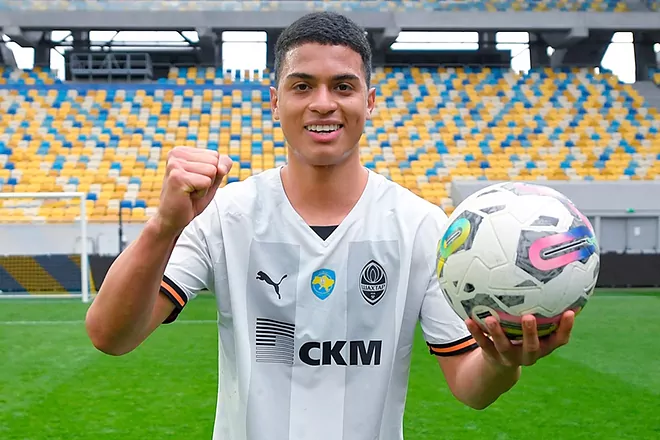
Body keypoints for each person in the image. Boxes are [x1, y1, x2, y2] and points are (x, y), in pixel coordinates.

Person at [85, 11, 575, 440]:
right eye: (302, 86)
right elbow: (111, 335)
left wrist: (501, 362)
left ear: (370, 101)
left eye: (343, 86)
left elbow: (470, 386)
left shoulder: (422, 226)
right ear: (275, 101)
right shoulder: (224, 214)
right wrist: (163, 226)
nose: (323, 103)